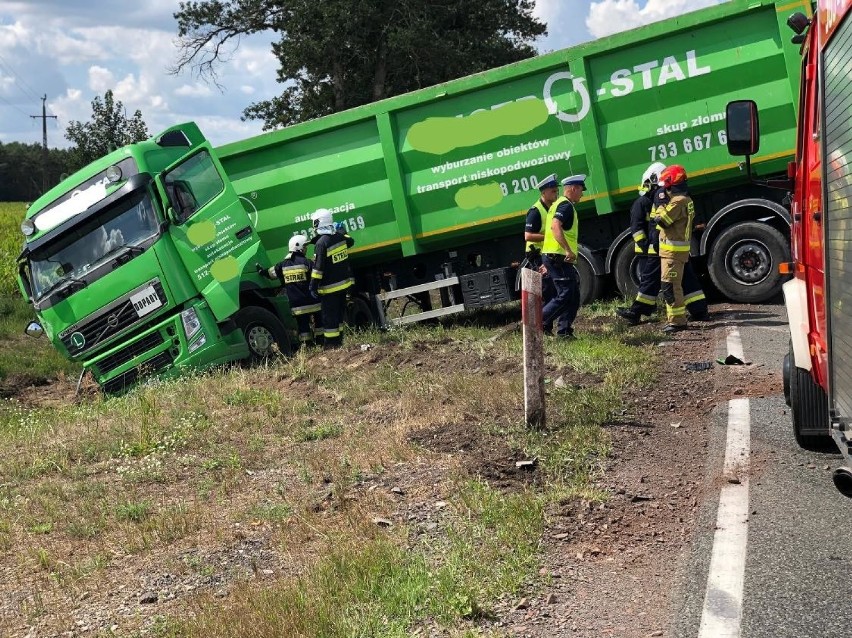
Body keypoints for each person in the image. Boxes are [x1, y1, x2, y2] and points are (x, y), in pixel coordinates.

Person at [616, 163, 708, 326]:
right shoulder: (676, 196)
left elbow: (662, 222)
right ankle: (699, 310)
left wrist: (651, 244)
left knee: (659, 282)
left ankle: (640, 312)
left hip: (664, 247)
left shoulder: (661, 195)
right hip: (673, 247)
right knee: (685, 278)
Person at [541, 174, 586, 339]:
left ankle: (564, 332)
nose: (582, 194)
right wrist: (567, 249)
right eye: (581, 190)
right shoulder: (565, 206)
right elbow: (555, 227)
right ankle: (538, 322)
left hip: (556, 257)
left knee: (573, 295)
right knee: (566, 294)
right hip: (558, 257)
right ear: (573, 188)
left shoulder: (559, 204)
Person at [257, 234, 323, 346]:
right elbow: (317, 276)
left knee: (303, 327)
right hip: (313, 302)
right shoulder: (307, 263)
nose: (306, 249)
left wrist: (260, 271)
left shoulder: (282, 265)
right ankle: (321, 342)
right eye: (305, 247)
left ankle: (307, 345)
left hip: (297, 305)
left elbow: (270, 274)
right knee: (319, 323)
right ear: (300, 248)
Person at [653, 165, 695, 333]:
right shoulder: (686, 199)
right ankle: (676, 320)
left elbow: (663, 220)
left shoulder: (678, 202)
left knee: (670, 286)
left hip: (673, 252)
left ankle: (677, 322)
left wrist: (660, 203)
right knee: (671, 285)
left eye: (667, 185)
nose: (665, 188)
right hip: (674, 251)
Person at [309, 208, 355, 348]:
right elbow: (350, 241)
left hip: (329, 289)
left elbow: (318, 268)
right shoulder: (340, 238)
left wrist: (313, 285)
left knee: (329, 319)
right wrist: (343, 232)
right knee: (339, 318)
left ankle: (331, 346)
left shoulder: (321, 243)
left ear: (318, 223)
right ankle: (339, 342)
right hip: (343, 285)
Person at [523, 173, 560, 333]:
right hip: (536, 256)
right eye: (552, 191)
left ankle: (545, 326)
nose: (556, 193)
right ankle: (543, 327)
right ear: (543, 192)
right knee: (547, 290)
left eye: (556, 190)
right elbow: (528, 235)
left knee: (551, 289)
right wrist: (550, 236)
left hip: (545, 254)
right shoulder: (535, 211)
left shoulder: (552, 207)